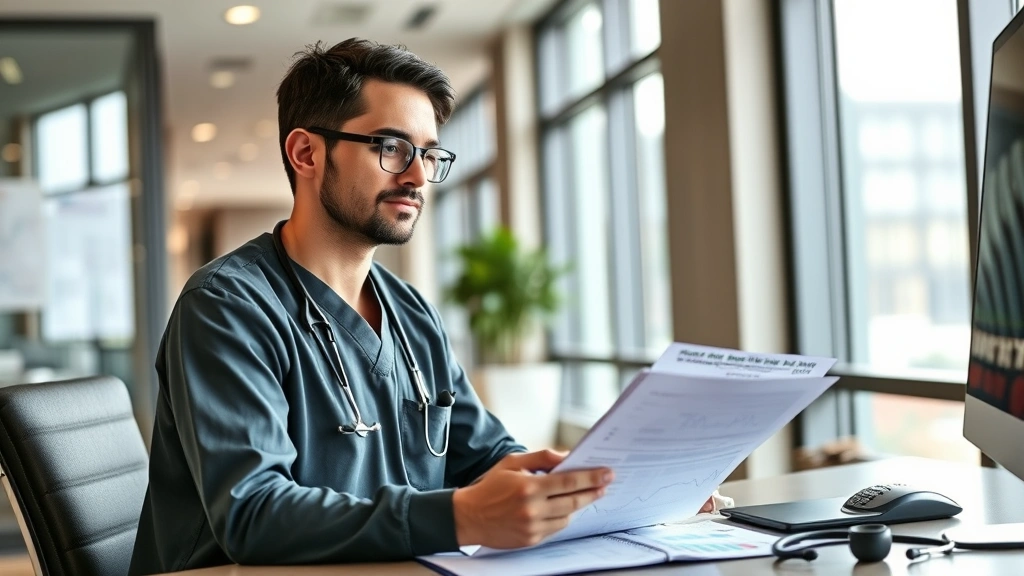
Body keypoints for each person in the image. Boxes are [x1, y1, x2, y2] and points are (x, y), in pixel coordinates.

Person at [129, 38, 623, 575]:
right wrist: (457, 516)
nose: (416, 176)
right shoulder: (227, 306)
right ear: (307, 153)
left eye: (429, 154)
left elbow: (484, 456)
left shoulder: (410, 311)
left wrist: (611, 495)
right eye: (391, 147)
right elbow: (253, 513)